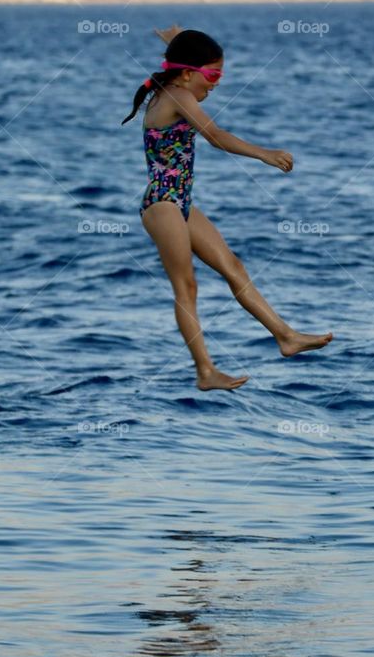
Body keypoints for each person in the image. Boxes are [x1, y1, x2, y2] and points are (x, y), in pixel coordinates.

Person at [121, 26, 333, 391]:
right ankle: (205, 372)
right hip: (161, 204)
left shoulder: (172, 85)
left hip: (180, 203)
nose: (217, 83)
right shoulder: (178, 94)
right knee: (186, 287)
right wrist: (264, 154)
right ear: (188, 73)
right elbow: (216, 136)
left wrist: (176, 39)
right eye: (213, 75)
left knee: (233, 266)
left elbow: (181, 60)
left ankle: (286, 337)